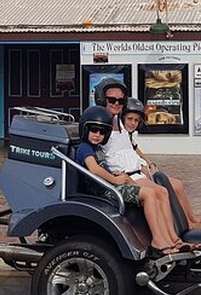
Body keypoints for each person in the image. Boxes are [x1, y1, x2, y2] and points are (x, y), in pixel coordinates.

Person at [95, 78, 201, 229]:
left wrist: (148, 163)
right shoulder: (101, 127)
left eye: (120, 100)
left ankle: (192, 222)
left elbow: (133, 148)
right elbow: (99, 156)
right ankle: (172, 232)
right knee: (161, 191)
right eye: (112, 100)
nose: (117, 103)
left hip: (138, 170)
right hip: (128, 174)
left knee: (177, 185)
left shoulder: (121, 126)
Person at [75, 105, 185, 255]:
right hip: (104, 191)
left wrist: (118, 175)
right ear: (85, 129)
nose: (98, 135)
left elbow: (103, 167)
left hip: (109, 185)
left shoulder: (97, 148)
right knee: (148, 194)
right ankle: (158, 240)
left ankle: (168, 238)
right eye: (94, 130)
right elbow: (94, 169)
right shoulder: (85, 148)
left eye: (102, 132)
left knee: (155, 192)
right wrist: (115, 180)